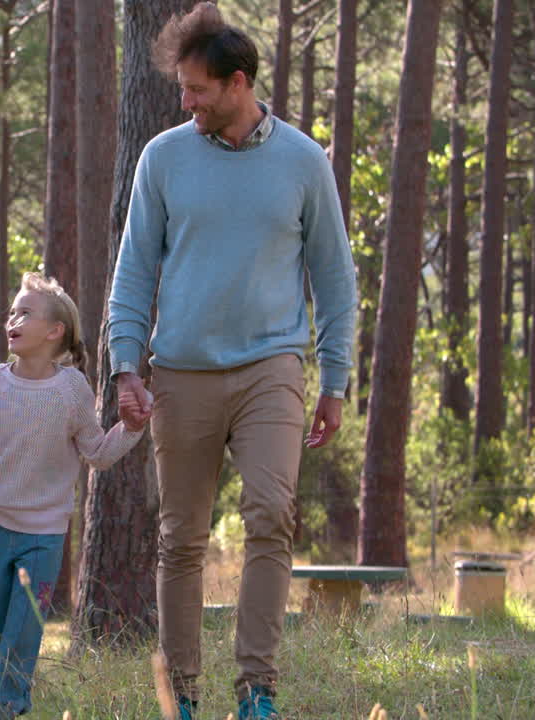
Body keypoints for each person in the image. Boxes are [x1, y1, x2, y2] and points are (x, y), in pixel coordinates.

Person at [107, 5, 357, 719]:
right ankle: (182, 695)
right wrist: (127, 365)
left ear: (238, 83)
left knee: (271, 514)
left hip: (272, 366)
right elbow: (133, 272)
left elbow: (336, 282)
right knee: (181, 536)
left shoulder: (304, 163)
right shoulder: (163, 157)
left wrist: (334, 381)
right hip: (180, 371)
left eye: (196, 90)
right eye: (181, 90)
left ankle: (257, 691)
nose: (184, 103)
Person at [0, 272, 151, 720]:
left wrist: (131, 430)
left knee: (23, 634)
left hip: (44, 536)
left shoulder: (72, 389)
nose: (12, 319)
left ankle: (4, 709)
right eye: (10, 312)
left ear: (54, 330)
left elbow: (97, 454)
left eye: (25, 312)